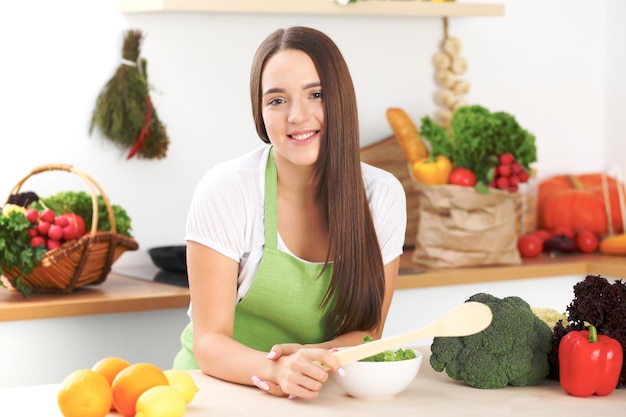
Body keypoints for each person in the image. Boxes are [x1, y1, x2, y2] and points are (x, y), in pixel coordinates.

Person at [172, 26, 407, 400]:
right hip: (213, 393)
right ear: (260, 113)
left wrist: (311, 363)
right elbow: (210, 343)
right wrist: (277, 369)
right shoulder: (227, 189)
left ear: (342, 101)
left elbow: (369, 331)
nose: (298, 116)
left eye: (316, 95)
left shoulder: (381, 196)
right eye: (277, 101)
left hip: (314, 393)